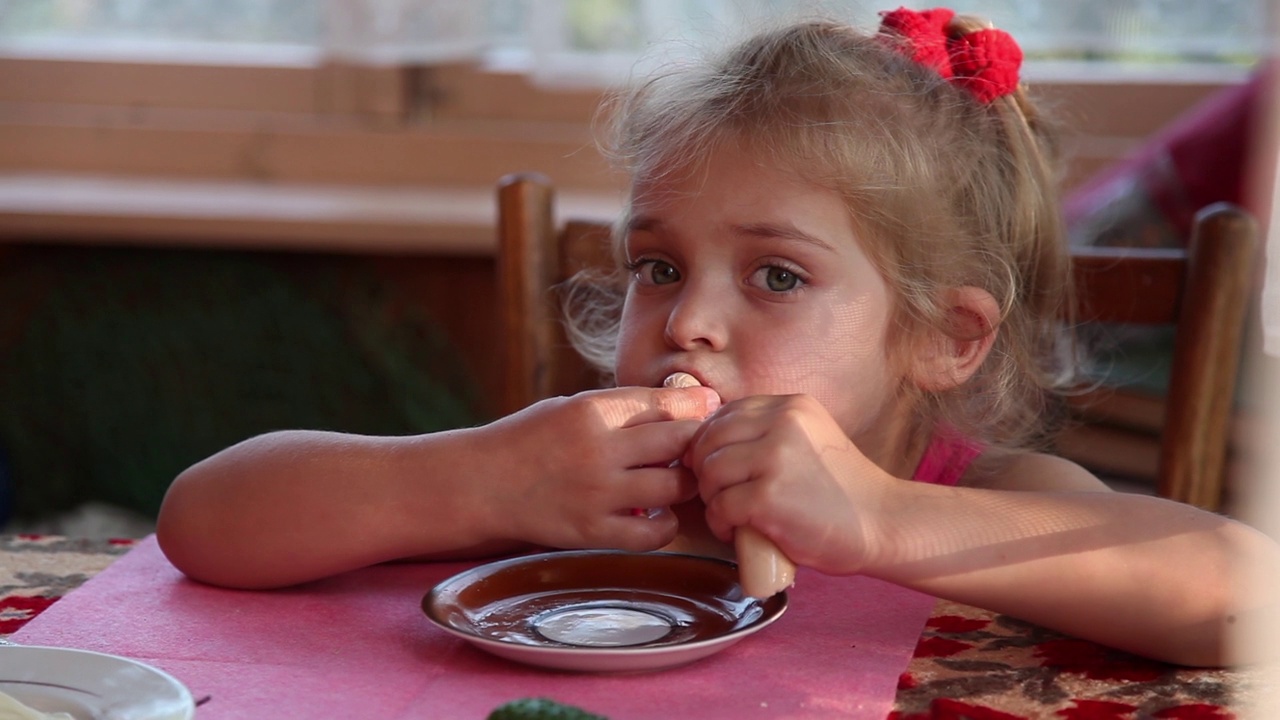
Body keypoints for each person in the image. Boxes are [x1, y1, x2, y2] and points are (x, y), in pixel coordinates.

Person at [156, 8, 1280, 667]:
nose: (686, 320)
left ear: (942, 338)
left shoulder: (986, 491)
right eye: (657, 267)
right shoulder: (568, 486)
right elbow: (201, 525)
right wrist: (463, 482)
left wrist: (887, 520)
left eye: (777, 276)